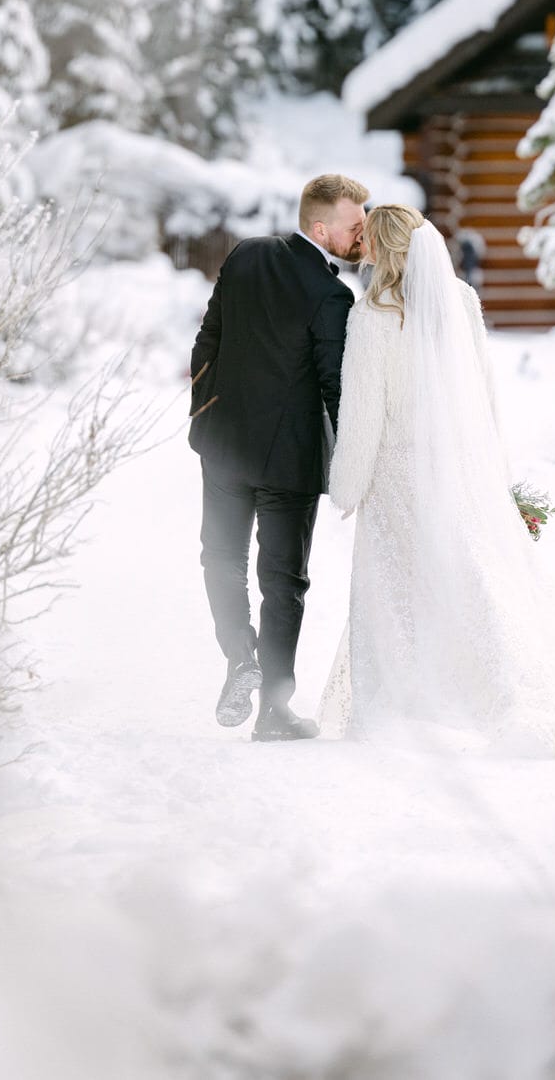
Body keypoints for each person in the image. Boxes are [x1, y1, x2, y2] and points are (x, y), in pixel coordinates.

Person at [323, 205, 555, 753]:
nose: (361, 247)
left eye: (367, 238)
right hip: (459, 467)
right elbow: (484, 394)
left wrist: (347, 486)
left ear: (384, 247)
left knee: (399, 591)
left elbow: (364, 410)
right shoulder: (462, 303)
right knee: (468, 575)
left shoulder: (372, 315)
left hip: (396, 476)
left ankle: (411, 699)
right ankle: (496, 681)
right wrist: (492, 470)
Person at [189, 174, 369, 741]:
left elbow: (206, 341)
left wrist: (204, 413)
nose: (363, 233)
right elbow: (334, 385)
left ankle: (240, 657)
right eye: (354, 224)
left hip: (222, 444)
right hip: (288, 461)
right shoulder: (331, 295)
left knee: (219, 558)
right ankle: (273, 710)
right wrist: (352, 459)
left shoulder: (247, 255)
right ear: (322, 228)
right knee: (283, 582)